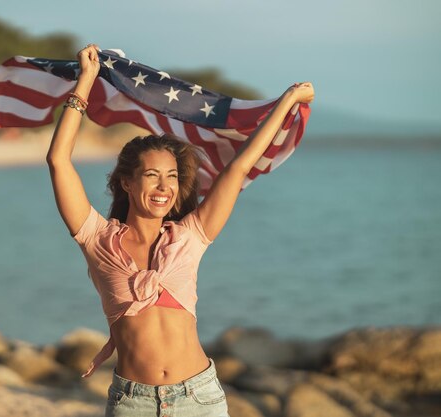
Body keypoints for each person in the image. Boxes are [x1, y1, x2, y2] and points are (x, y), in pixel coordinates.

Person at [46, 43, 315, 417]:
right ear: (126, 182)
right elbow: (58, 161)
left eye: (171, 177)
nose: (164, 187)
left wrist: (285, 102)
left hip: (198, 398)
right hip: (133, 403)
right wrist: (85, 82)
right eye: (152, 176)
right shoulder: (97, 239)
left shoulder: (191, 235)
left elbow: (237, 169)